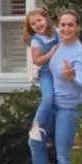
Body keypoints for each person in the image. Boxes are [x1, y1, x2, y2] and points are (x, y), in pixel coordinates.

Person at [29, 9, 82, 164]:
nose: (66, 29)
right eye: (63, 25)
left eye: (70, 25)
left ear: (77, 27)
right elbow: (41, 60)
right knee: (35, 142)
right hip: (52, 105)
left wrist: (71, 77)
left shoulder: (79, 52)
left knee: (63, 156)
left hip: (68, 108)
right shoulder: (58, 44)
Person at [24, 8, 59, 143]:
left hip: (59, 72)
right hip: (46, 73)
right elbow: (37, 60)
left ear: (46, 19)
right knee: (48, 99)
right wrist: (50, 53)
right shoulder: (36, 41)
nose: (38, 24)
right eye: (33, 24)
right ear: (31, 28)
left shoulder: (56, 33)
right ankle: (36, 126)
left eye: (39, 20)